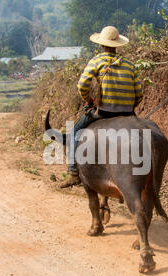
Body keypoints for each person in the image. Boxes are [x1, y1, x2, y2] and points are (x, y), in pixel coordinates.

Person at [60, 26, 143, 188]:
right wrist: (129, 107)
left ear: (102, 45)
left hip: (104, 112)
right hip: (128, 114)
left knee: (75, 132)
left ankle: (73, 172)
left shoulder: (96, 61)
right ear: (117, 45)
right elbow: (139, 94)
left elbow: (81, 86)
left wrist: (90, 100)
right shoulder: (129, 65)